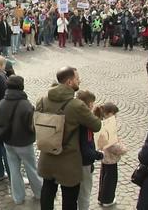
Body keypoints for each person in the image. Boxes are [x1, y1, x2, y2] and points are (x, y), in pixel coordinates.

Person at [37, 67, 101, 209]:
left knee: (47, 192)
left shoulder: (41, 100)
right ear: (69, 82)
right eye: (77, 79)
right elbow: (96, 125)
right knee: (69, 200)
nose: (80, 81)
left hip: (47, 156)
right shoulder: (76, 105)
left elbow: (33, 125)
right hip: (68, 162)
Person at [0, 75, 42, 204]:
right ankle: (39, 193)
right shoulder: (26, 105)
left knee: (14, 170)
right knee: (31, 168)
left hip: (8, 143)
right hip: (24, 143)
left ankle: (18, 197)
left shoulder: (1, 104)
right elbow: (32, 125)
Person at [94, 103, 127, 207]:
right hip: (110, 158)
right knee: (110, 180)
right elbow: (113, 146)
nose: (116, 117)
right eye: (115, 114)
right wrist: (124, 149)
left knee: (104, 178)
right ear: (109, 114)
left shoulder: (101, 123)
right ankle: (107, 199)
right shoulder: (107, 127)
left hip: (105, 157)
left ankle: (101, 198)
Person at [76, 90, 103, 210]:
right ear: (89, 104)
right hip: (84, 163)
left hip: (73, 159)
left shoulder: (74, 115)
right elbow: (87, 148)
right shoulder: (86, 123)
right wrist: (99, 155)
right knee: (85, 193)